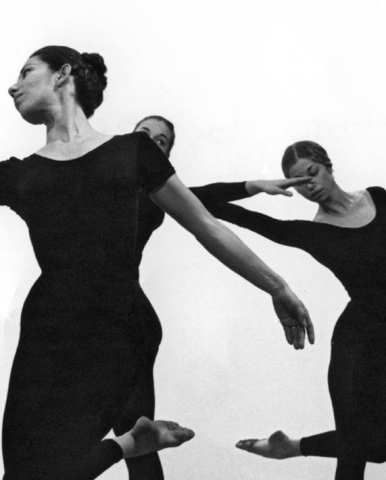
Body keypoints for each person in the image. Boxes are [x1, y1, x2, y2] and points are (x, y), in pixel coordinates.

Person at [1, 46, 314, 480]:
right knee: (20, 472)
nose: (13, 85)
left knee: (51, 466)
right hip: (45, 332)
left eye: (26, 71)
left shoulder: (133, 155)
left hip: (114, 328)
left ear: (62, 75)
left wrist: (277, 286)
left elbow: (207, 225)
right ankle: (131, 443)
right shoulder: (17, 175)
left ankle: (133, 443)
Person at [189, 140, 386, 480]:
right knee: (352, 454)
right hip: (355, 341)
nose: (309, 185)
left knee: (378, 448)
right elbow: (196, 199)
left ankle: (289, 447)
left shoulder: (378, 196)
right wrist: (257, 186)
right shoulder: (312, 233)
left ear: (328, 166)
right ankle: (289, 448)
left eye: (312, 173)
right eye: (297, 181)